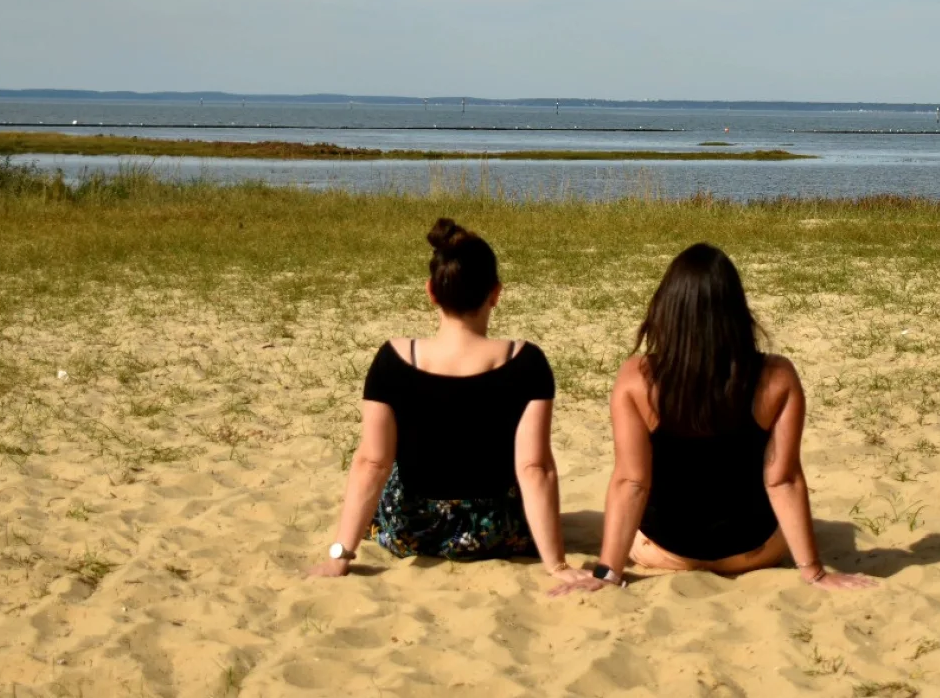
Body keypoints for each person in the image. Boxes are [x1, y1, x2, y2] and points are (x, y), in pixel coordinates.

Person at [555, 243, 876, 594]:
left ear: (666, 309)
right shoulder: (776, 377)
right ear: (737, 310)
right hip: (754, 552)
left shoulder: (637, 379)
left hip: (663, 552)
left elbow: (632, 482)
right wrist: (814, 572)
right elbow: (782, 480)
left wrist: (608, 573)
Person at [309, 218, 575, 583]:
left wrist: (341, 554)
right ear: (495, 293)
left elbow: (373, 461)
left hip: (411, 529)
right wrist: (556, 565)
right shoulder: (526, 362)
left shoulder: (392, 359)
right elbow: (535, 468)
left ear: (431, 292)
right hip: (495, 531)